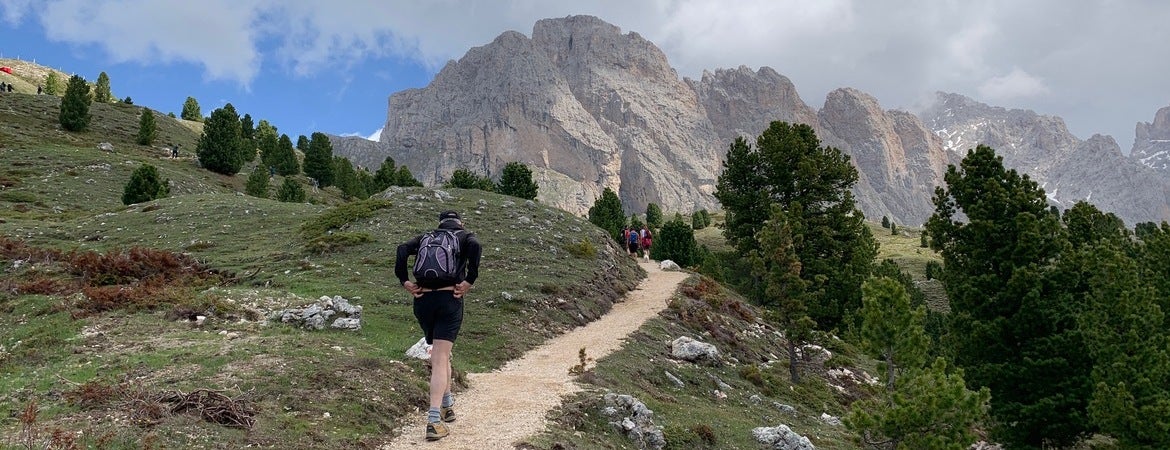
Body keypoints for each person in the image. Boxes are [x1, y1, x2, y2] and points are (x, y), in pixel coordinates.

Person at [395, 210, 482, 441]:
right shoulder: (464, 237)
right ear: (460, 223)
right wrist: (469, 281)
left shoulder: (425, 237)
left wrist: (405, 281)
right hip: (448, 299)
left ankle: (447, 404)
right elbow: (476, 247)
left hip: (422, 302)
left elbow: (402, 249)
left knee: (443, 355)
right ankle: (434, 421)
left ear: (441, 223)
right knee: (440, 358)